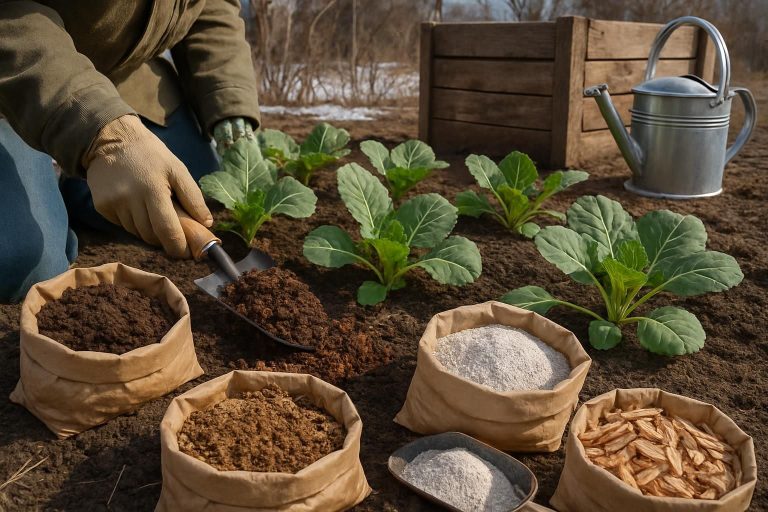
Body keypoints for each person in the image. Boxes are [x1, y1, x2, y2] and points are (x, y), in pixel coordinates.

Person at [0, 1, 261, 302]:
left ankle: (77, 186)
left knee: (193, 191)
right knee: (20, 261)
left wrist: (229, 100)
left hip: (119, 69)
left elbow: (211, 6)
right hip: (17, 64)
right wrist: (106, 138)